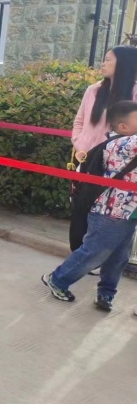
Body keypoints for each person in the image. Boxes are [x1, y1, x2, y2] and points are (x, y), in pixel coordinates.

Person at [43, 101, 137, 311]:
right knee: (94, 252)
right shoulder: (121, 145)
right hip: (110, 212)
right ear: (123, 127)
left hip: (128, 213)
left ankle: (106, 294)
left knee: (118, 258)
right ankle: (57, 279)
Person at [72, 46, 137, 164]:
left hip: (116, 161)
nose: (103, 64)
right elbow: (79, 120)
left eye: (108, 60)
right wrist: (78, 142)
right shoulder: (93, 90)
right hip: (84, 155)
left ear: (123, 63)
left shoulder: (134, 93)